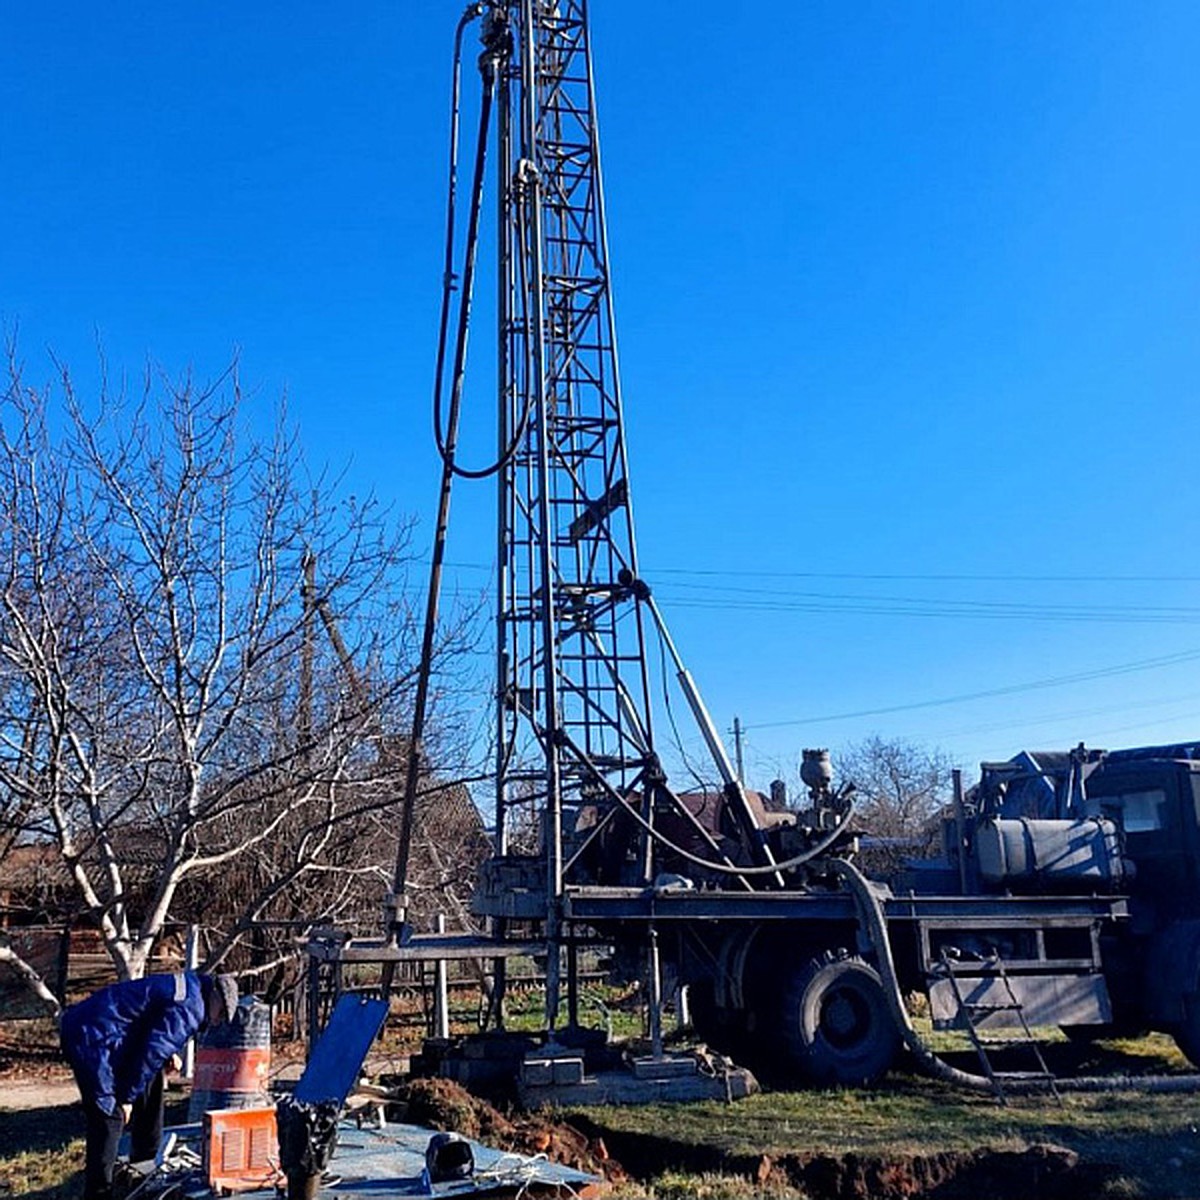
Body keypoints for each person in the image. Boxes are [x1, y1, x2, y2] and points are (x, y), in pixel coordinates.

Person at [60, 971, 239, 1200]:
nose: (217, 1020)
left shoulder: (190, 989)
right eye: (221, 1013)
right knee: (109, 1117)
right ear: (215, 995)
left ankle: (144, 1168)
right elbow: (150, 1053)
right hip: (93, 1038)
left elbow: (150, 1022)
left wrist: (169, 1053)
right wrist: (126, 1100)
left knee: (152, 1078)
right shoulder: (190, 1009)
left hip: (103, 1030)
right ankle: (98, 1193)